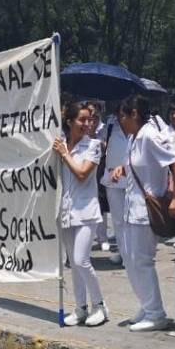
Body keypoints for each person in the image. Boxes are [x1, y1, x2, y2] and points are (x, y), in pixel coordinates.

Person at [111, 95, 175, 331]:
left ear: (135, 114)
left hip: (147, 210)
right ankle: (146, 304)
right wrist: (123, 169)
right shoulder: (135, 138)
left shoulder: (149, 135)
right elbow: (139, 164)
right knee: (131, 261)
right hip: (132, 209)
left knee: (142, 261)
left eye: (123, 115)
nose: (121, 121)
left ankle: (156, 313)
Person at [52, 102, 108, 326]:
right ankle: (80, 308)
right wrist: (62, 151)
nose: (87, 124)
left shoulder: (93, 145)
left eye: (90, 120)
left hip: (86, 211)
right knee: (73, 264)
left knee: (81, 260)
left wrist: (65, 155)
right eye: (82, 120)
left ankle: (100, 306)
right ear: (69, 122)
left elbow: (82, 174)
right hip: (66, 211)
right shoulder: (61, 144)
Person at [100, 104, 129, 266]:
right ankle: (123, 253)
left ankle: (130, 254)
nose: (121, 115)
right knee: (118, 220)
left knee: (131, 219)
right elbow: (99, 141)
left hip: (132, 178)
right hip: (113, 178)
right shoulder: (110, 126)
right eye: (120, 111)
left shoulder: (138, 128)